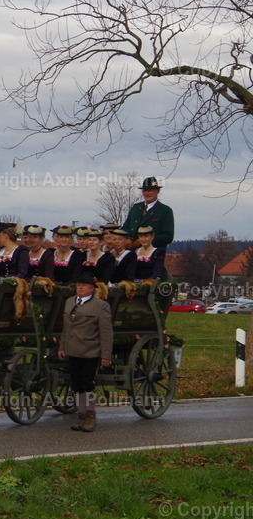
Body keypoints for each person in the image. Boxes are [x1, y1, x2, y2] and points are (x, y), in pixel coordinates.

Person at [58, 273, 112, 432]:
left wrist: (106, 355)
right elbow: (66, 328)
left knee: (87, 384)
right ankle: (81, 415)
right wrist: (62, 347)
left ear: (92, 289)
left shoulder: (100, 306)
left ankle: (90, 416)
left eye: (84, 285)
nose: (80, 287)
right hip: (72, 350)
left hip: (90, 352)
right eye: (78, 285)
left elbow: (106, 333)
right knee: (76, 385)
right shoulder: (69, 302)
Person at [122, 176, 175, 248]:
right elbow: (126, 227)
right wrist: (127, 239)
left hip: (154, 254)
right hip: (132, 253)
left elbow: (168, 237)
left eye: (150, 190)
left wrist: (143, 241)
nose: (147, 193)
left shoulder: (165, 210)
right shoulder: (136, 208)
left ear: (158, 191)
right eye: (145, 190)